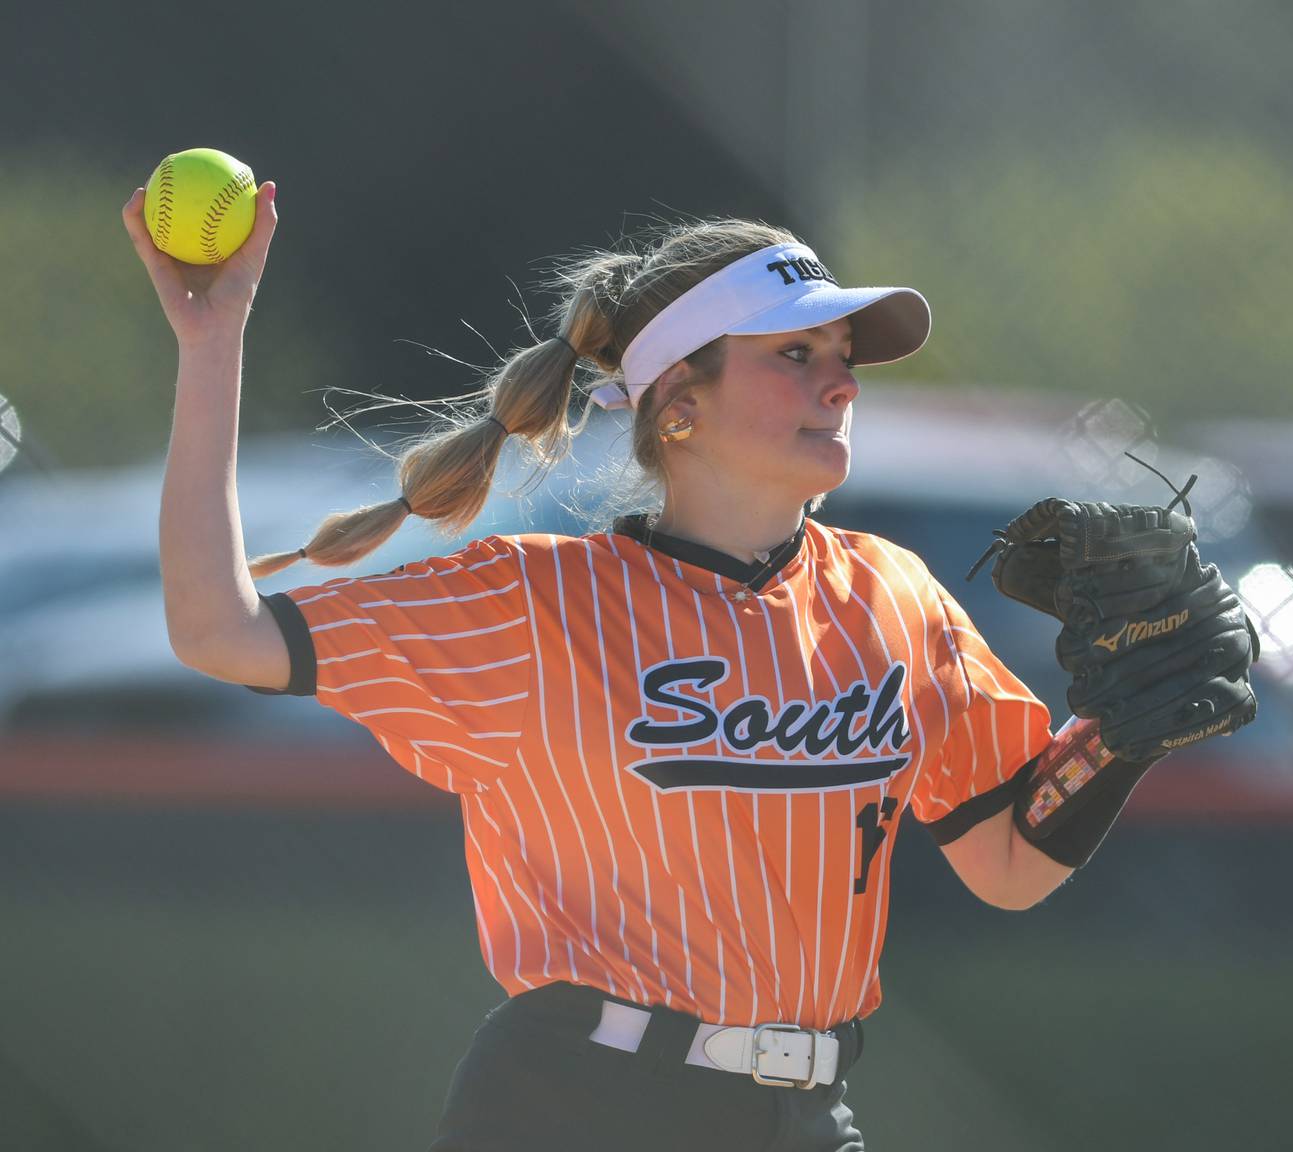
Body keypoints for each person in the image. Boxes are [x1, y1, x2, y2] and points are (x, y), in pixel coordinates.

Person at [123, 183, 1103, 1151]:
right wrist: (213, 347)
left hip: (807, 1115)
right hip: (585, 1107)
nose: (839, 383)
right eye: (795, 355)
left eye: (842, 358)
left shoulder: (896, 595)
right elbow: (217, 629)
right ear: (678, 403)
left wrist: (1129, 738)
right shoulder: (533, 606)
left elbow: (1010, 863)